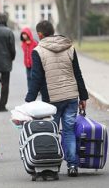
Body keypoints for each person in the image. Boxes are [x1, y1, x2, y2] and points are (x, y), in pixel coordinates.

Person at [25, 20, 89, 177]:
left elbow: (36, 78)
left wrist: (29, 101)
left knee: (51, 132)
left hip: (52, 100)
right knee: (69, 132)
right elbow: (77, 73)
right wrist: (83, 96)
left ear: (40, 34)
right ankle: (73, 166)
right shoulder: (69, 47)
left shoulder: (38, 51)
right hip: (71, 96)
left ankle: (53, 164)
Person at [20, 27, 38, 91]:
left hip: (34, 63)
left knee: (33, 77)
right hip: (27, 64)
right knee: (28, 77)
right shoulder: (23, 44)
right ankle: (30, 89)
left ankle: (35, 89)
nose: (24, 36)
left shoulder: (34, 43)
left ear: (28, 34)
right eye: (23, 34)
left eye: (25, 34)